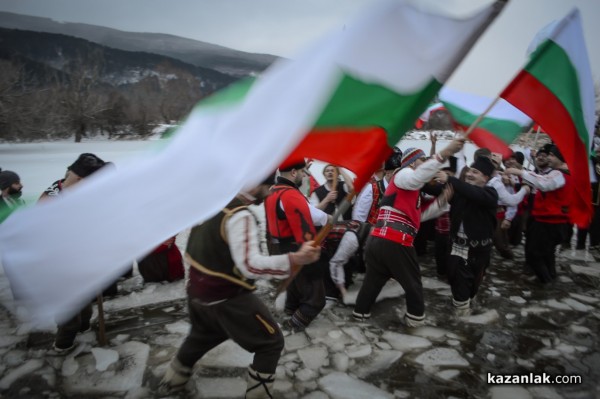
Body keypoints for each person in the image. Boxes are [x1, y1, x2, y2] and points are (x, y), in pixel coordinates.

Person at [159, 174, 320, 398]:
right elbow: (250, 266)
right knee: (270, 343)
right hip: (227, 298)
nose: (272, 189)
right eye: (269, 183)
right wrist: (295, 260)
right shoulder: (239, 216)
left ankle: (171, 381)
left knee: (202, 335)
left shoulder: (211, 205)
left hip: (197, 293)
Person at [352, 138, 465, 327]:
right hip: (396, 241)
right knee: (413, 284)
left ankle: (360, 314)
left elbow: (418, 217)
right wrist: (443, 154)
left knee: (373, 282)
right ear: (413, 162)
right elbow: (416, 177)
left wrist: (441, 201)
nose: (427, 167)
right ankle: (415, 321)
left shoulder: (410, 191)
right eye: (423, 161)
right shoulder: (403, 173)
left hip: (379, 240)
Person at [43, 153, 109, 352]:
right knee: (69, 309)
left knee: (84, 303)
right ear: (78, 178)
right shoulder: (53, 197)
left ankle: (83, 327)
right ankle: (63, 344)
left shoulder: (74, 190)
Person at [265, 161, 329, 333]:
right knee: (316, 298)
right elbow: (305, 228)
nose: (305, 175)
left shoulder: (273, 190)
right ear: (293, 172)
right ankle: (293, 325)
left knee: (294, 286)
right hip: (295, 248)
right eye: (302, 171)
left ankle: (290, 310)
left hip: (277, 247)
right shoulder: (290, 195)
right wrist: (311, 255)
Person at [505, 145, 572, 284]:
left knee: (534, 253)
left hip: (549, 222)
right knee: (547, 252)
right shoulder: (563, 172)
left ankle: (545, 280)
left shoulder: (559, 173)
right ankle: (550, 275)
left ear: (559, 158)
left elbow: (544, 183)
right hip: (549, 219)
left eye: (552, 155)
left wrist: (520, 172)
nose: (548, 157)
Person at [444, 156, 498, 316]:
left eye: (475, 172)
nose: (469, 174)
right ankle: (461, 323)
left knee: (473, 288)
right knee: (459, 288)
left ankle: (466, 319)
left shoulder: (490, 193)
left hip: (480, 252)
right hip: (458, 249)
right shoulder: (460, 191)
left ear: (486, 177)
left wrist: (450, 179)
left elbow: (475, 194)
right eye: (469, 171)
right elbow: (435, 190)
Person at [322, 220, 372, 303]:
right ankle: (330, 296)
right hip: (324, 244)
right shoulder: (352, 241)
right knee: (331, 268)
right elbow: (336, 263)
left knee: (352, 262)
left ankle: (342, 286)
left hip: (341, 241)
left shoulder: (369, 228)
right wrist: (342, 290)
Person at [352, 147, 402, 224]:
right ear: (388, 172)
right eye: (396, 172)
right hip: (371, 232)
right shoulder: (372, 188)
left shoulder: (401, 189)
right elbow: (359, 216)